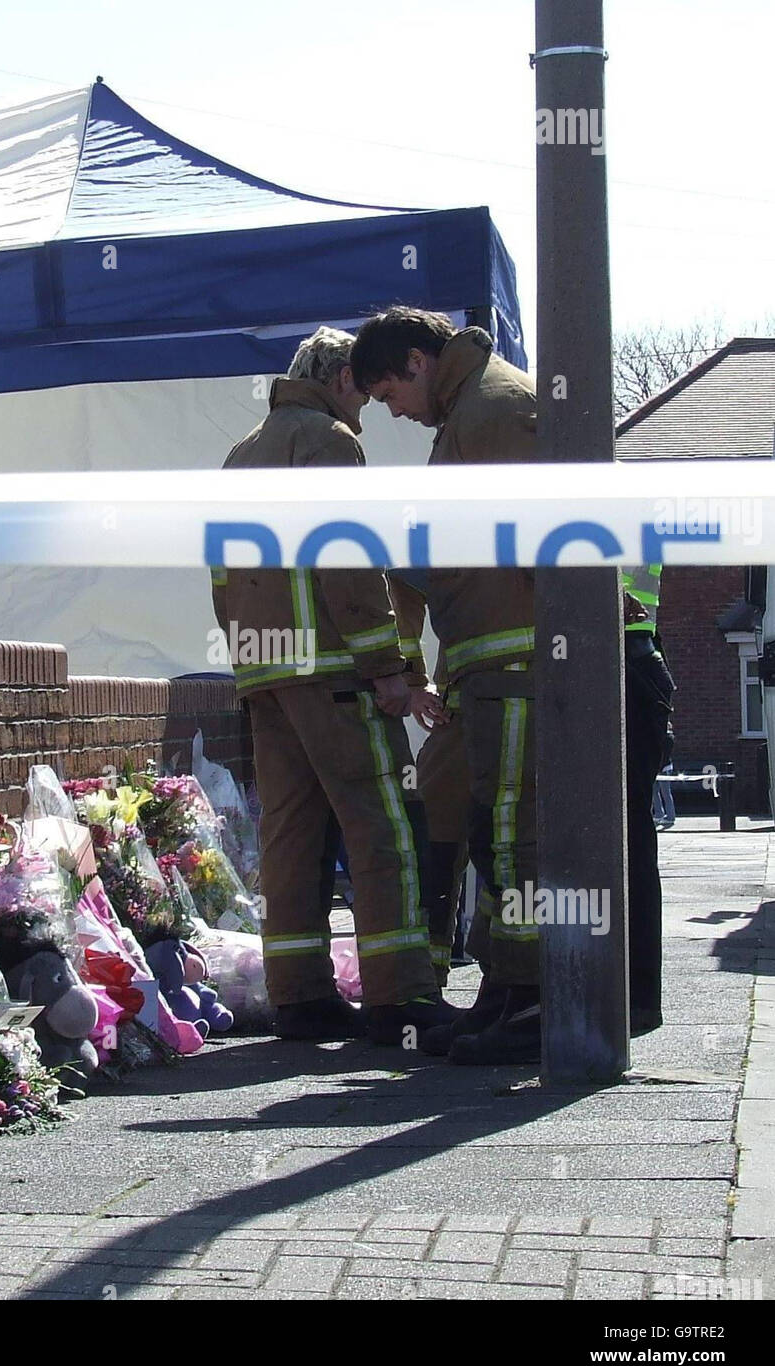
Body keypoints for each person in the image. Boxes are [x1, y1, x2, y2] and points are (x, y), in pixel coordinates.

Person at [211, 327, 456, 1046]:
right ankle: (399, 996)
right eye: (370, 387)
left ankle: (299, 996)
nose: (375, 405)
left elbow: (225, 581)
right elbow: (348, 566)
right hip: (334, 674)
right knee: (381, 831)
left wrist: (250, 665)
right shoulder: (327, 442)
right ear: (344, 376)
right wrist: (388, 668)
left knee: (289, 839)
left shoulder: (241, 452)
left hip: (267, 675)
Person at [351, 307, 540, 1064]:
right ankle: (504, 989)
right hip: (487, 661)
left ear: (417, 362)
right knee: (489, 822)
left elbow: (542, 533)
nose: (394, 411)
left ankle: (529, 999)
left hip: (518, 660)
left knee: (513, 828)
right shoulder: (471, 410)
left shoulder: (494, 409)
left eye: (390, 392)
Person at [622, 568, 676, 1032]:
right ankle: (637, 998)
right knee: (630, 834)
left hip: (617, 653)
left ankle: (635, 998)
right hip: (636, 654)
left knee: (626, 836)